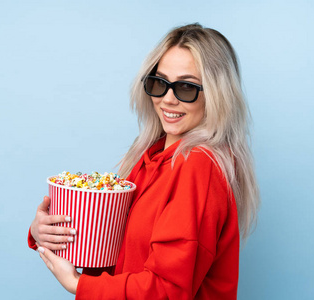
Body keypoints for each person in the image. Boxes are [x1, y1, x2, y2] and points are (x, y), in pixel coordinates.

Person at [28, 23, 260, 299]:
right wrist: (46, 234)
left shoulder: (199, 166)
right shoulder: (150, 157)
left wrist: (78, 285)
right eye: (159, 83)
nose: (168, 99)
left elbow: (167, 290)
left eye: (186, 87)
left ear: (216, 94)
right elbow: (116, 254)